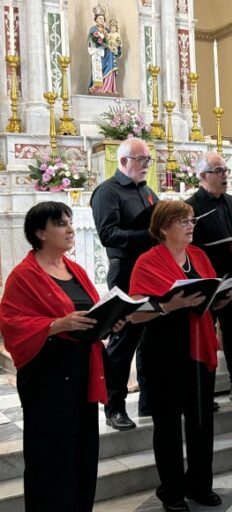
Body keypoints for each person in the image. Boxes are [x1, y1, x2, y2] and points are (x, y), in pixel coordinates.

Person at [0, 202, 123, 511]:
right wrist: (56, 325)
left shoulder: (75, 269)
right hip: (46, 377)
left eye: (70, 222)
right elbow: (11, 324)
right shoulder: (23, 275)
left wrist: (110, 319)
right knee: (50, 457)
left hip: (82, 370)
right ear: (40, 233)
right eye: (61, 224)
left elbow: (90, 312)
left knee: (82, 452)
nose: (70, 229)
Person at [128, 201, 232, 511]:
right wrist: (168, 307)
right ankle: (172, 492)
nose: (191, 226)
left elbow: (207, 300)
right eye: (182, 221)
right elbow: (135, 313)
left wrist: (225, 295)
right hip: (163, 352)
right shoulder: (147, 262)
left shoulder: (199, 256)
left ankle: (200, 485)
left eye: (191, 220)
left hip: (198, 348)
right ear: (163, 228)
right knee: (168, 427)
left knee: (201, 423)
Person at [91, 137, 159, 430]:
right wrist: (150, 234)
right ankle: (113, 406)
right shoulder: (107, 192)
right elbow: (109, 235)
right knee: (122, 341)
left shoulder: (147, 191)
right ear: (122, 162)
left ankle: (149, 401)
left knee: (150, 339)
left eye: (148, 160)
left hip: (150, 271)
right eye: (141, 160)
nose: (146, 165)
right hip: (125, 272)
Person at [186, 152, 232, 405]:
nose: (225, 175)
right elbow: (190, 246)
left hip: (231, 275)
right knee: (204, 332)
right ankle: (203, 392)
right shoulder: (191, 206)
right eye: (219, 171)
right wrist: (226, 249)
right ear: (204, 176)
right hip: (207, 277)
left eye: (225, 170)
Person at [88, 6, 122, 94]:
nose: (101, 20)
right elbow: (90, 42)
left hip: (108, 53)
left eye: (102, 18)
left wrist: (117, 46)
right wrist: (99, 42)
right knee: (98, 69)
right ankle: (97, 88)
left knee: (111, 56)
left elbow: (112, 41)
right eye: (99, 18)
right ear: (95, 19)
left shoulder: (107, 30)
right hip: (98, 54)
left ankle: (108, 87)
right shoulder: (93, 29)